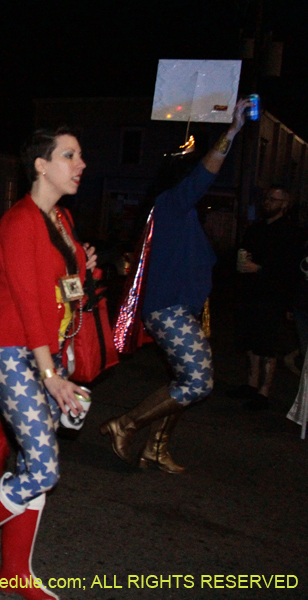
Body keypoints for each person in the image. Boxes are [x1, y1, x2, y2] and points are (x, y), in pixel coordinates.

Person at [0, 128, 93, 600]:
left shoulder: (62, 219)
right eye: (69, 155)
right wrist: (50, 375)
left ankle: (15, 571)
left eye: (80, 156)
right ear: (40, 165)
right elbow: (30, 304)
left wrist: (83, 265)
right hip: (15, 352)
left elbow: (63, 288)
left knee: (34, 463)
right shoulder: (19, 222)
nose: (80, 164)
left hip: (49, 351)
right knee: (44, 470)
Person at [101, 98, 252, 473]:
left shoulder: (178, 215)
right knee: (198, 382)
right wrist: (232, 131)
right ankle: (126, 424)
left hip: (180, 308)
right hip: (170, 308)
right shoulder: (172, 203)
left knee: (182, 381)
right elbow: (205, 174)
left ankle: (157, 448)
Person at [229, 186, 300, 410]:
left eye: (273, 199)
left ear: (284, 204)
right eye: (267, 198)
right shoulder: (256, 229)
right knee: (251, 341)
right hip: (251, 293)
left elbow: (289, 269)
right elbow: (243, 252)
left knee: (268, 345)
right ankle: (251, 384)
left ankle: (264, 391)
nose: (267, 202)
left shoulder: (291, 232)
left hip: (273, 296)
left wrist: (259, 269)